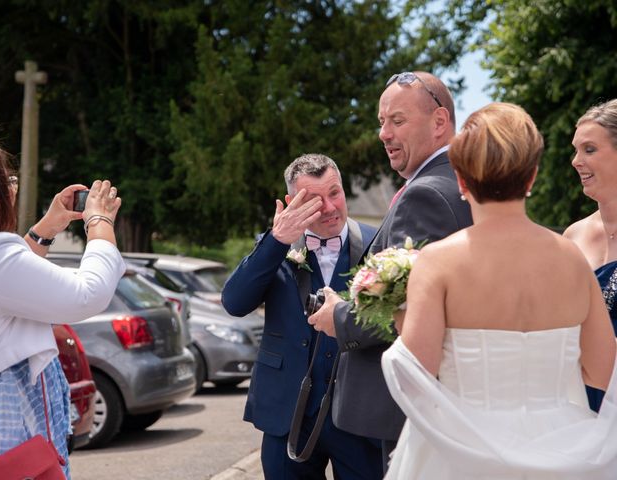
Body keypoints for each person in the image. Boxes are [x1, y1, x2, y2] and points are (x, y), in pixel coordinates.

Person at [380, 102, 617, 479]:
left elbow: (418, 372)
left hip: (460, 454)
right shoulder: (572, 259)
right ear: (532, 177)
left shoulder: (438, 262)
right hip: (562, 444)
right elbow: (602, 370)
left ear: (461, 180)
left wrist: (402, 317)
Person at [307, 71, 472, 466]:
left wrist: (338, 316)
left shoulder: (426, 194)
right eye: (382, 122)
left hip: (411, 408)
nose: (383, 133)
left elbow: (410, 304)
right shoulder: (456, 183)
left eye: (397, 121)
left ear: (439, 123)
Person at [222, 154, 382, 479]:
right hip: (287, 413)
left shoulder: (378, 244)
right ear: (291, 202)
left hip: (356, 415)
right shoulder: (274, 249)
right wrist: (277, 241)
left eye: (334, 193)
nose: (329, 208)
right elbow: (235, 302)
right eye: (313, 200)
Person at [0, 138, 125, 479]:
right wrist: (99, 223)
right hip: (1, 425)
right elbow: (87, 294)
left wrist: (46, 229)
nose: (13, 190)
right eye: (8, 182)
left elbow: (6, 285)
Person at [564, 98, 617, 411]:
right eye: (575, 149)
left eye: (589, 149)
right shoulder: (573, 236)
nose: (575, 161)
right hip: (581, 399)